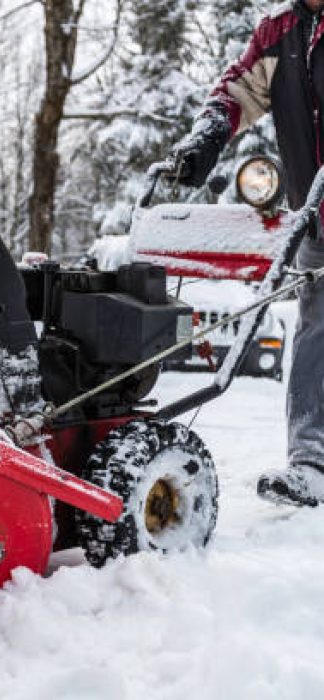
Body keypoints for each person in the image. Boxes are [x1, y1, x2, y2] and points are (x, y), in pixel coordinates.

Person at [172, 0, 324, 506]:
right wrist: (207, 139)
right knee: (316, 330)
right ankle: (312, 462)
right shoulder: (280, 33)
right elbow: (237, 91)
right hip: (317, 216)